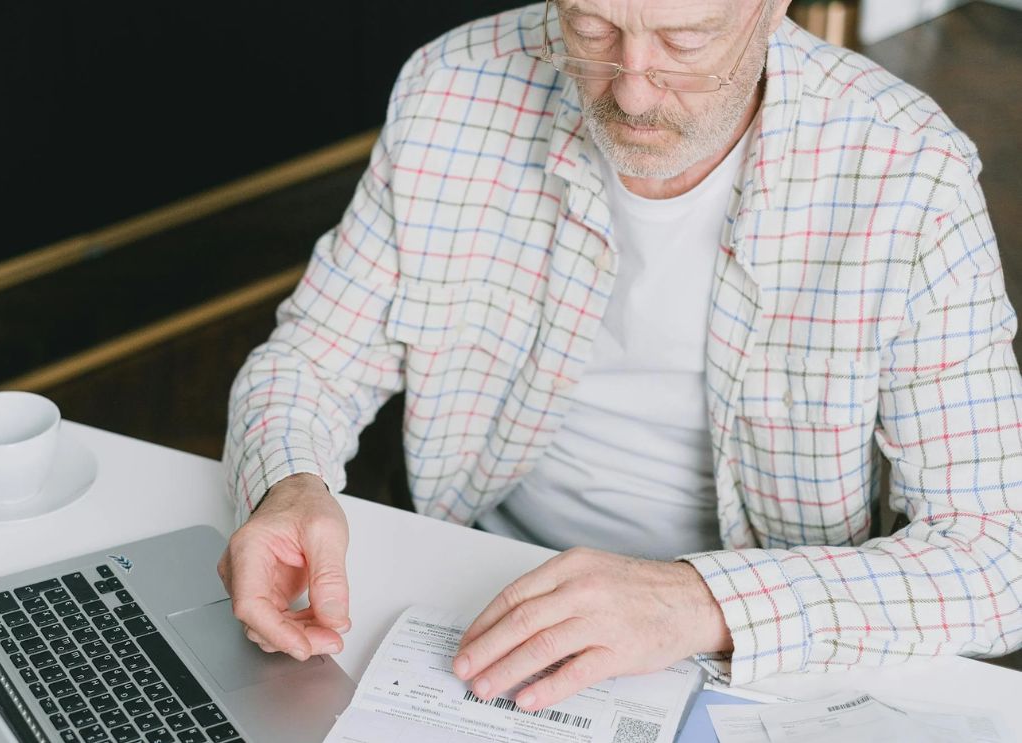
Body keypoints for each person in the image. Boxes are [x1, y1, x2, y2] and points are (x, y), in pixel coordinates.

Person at [217, 0, 1022, 712]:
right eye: (592, 28)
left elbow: (998, 555)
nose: (631, 90)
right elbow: (312, 358)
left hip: (759, 647)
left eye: (685, 39)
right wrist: (288, 482)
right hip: (476, 584)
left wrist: (694, 600)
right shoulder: (451, 85)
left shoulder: (909, 170)